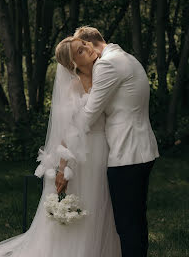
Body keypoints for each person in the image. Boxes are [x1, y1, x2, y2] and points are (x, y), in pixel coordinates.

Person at [0, 36, 121, 256]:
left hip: (106, 149)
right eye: (80, 51)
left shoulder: (105, 76)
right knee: (84, 204)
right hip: (80, 156)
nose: (87, 47)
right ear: (73, 64)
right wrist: (63, 168)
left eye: (84, 44)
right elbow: (67, 131)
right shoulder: (72, 89)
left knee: (104, 204)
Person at [69, 26, 159, 257]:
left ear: (89, 44)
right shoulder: (126, 57)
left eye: (79, 50)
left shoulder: (107, 64)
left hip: (127, 152)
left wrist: (68, 124)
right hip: (140, 150)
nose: (80, 58)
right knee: (136, 221)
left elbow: (90, 114)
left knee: (127, 225)